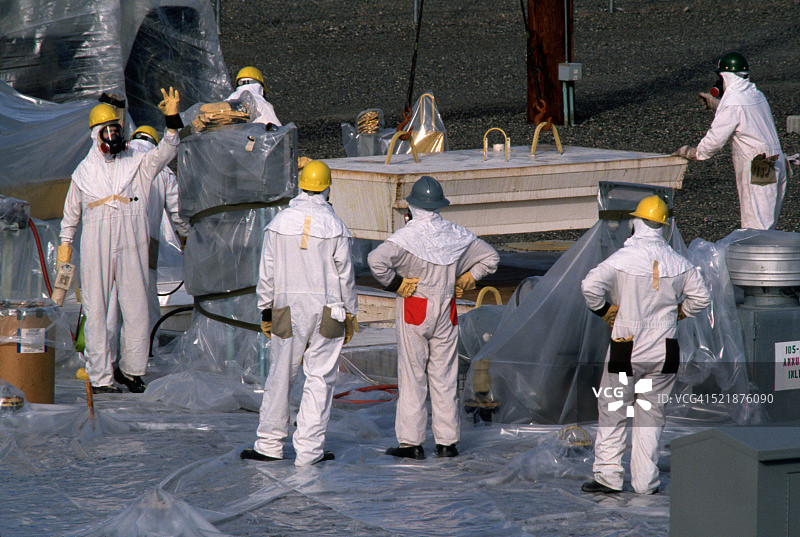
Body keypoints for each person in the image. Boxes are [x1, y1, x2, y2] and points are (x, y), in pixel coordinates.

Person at [580, 196, 711, 494]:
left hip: (626, 348)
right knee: (651, 416)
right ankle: (645, 482)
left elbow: (590, 286)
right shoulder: (679, 263)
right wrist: (680, 313)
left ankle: (608, 477)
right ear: (662, 226)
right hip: (665, 350)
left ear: (636, 222)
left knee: (614, 410)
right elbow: (701, 298)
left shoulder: (622, 259)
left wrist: (605, 311)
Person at [58, 88, 184, 394]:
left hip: (132, 239)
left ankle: (132, 370)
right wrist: (64, 258)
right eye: (108, 131)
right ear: (96, 135)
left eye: (116, 130)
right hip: (96, 243)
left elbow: (166, 152)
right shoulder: (83, 174)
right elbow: (69, 220)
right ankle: (100, 376)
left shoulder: (138, 163)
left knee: (137, 305)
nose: (114, 136)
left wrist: (171, 121)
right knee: (96, 309)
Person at [367, 176, 499, 460]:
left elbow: (375, 261)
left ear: (412, 206)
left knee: (413, 375)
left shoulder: (405, 238)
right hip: (446, 308)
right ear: (439, 205)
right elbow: (491, 258)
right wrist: (469, 277)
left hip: (415, 304)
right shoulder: (457, 235)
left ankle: (411, 444)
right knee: (445, 376)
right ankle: (447, 443)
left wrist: (396, 284)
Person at [241, 160, 357, 466]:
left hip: (286, 310)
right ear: (328, 188)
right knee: (320, 380)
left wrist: (265, 311)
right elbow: (345, 277)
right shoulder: (336, 227)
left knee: (280, 376)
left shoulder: (279, 223)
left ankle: (269, 446)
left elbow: (267, 272)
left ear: (301, 186)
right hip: (328, 311)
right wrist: (351, 313)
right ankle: (310, 452)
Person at [675, 51, 788, 230]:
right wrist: (718, 105)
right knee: (767, 225)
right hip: (775, 161)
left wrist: (693, 153)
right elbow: (744, 116)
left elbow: (715, 140)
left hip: (760, 166)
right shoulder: (755, 94)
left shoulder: (732, 101)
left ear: (725, 76)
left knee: (756, 229)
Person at [129, 125, 190, 329]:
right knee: (146, 299)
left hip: (114, 238)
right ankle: (149, 344)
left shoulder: (120, 160)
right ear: (155, 143)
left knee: (114, 297)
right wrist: (186, 237)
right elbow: (179, 212)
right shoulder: (162, 168)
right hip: (148, 243)